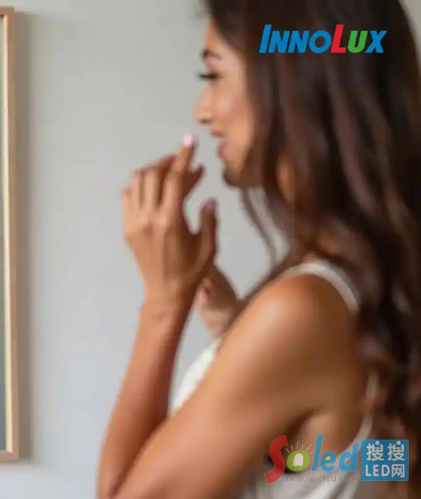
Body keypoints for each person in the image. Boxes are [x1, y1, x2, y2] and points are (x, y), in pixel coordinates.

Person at [97, 0, 421, 497]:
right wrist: (234, 331)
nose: (202, 110)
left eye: (214, 76)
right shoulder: (373, 281)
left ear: (293, 82)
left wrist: (162, 304)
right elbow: (365, 462)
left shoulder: (304, 310)